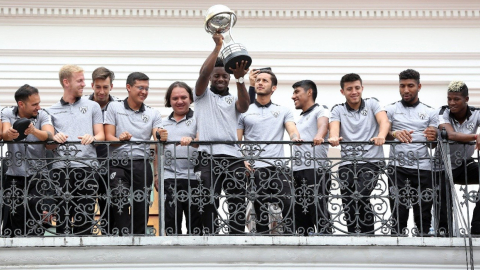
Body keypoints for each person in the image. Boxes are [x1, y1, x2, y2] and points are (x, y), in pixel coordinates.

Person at [193, 32, 250, 234]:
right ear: (211, 78)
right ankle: (210, 234)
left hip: (233, 156)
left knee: (237, 199)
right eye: (216, 75)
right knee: (208, 200)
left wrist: (240, 78)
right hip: (207, 155)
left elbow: (243, 107)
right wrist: (218, 47)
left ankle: (237, 235)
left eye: (224, 76)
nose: (220, 79)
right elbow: (202, 74)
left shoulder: (234, 96)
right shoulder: (201, 96)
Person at [103, 72, 167, 235]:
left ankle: (139, 237)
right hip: (117, 163)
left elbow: (157, 135)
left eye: (146, 88)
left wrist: (161, 135)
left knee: (142, 203)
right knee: (119, 198)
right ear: (128, 87)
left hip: (142, 163)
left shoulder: (153, 113)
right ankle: (123, 236)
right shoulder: (114, 107)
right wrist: (120, 138)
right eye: (140, 87)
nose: (144, 92)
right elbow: (108, 137)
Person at [237, 70, 300, 234]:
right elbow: (236, 141)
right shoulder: (244, 111)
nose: (260, 83)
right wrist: (242, 160)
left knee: (288, 204)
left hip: (278, 166)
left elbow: (292, 129)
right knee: (259, 210)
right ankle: (262, 239)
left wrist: (295, 137)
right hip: (255, 167)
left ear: (274, 87)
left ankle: (290, 239)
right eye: (258, 80)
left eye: (265, 80)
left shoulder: (283, 110)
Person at [47, 64, 105, 235]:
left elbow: (101, 135)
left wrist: (93, 138)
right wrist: (54, 139)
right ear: (66, 82)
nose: (84, 84)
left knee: (85, 220)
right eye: (79, 81)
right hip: (60, 170)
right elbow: (48, 145)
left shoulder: (93, 106)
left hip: (87, 167)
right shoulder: (50, 111)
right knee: (62, 221)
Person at [328, 73, 389, 234]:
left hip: (371, 161)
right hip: (347, 163)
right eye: (349, 89)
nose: (354, 92)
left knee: (361, 195)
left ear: (362, 88)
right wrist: (334, 137)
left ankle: (368, 234)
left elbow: (384, 121)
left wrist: (381, 135)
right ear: (343, 92)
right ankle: (353, 235)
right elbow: (333, 129)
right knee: (348, 201)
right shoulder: (338, 109)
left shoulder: (373, 104)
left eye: (357, 88)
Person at [384, 69, 438, 236]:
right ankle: (396, 243)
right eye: (402, 86)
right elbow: (383, 135)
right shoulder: (390, 109)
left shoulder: (431, 111)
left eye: (410, 86)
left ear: (419, 86)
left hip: (424, 167)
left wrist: (432, 137)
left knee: (423, 212)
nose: (406, 90)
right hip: (397, 166)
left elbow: (433, 145)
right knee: (398, 211)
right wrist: (394, 133)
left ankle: (424, 240)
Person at [1, 84, 54, 236]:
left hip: (38, 174)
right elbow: (4, 132)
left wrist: (34, 131)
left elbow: (50, 136)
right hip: (14, 174)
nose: (39, 106)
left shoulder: (43, 114)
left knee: (35, 208)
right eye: (34, 104)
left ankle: (35, 245)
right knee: (16, 214)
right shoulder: (6, 112)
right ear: (21, 104)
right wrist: (7, 134)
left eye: (39, 102)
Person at [154, 81, 201, 235]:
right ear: (169, 100)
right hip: (169, 177)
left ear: (190, 99)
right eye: (175, 98)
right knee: (171, 223)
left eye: (183, 97)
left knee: (195, 224)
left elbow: (202, 143)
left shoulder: (198, 119)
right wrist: (156, 174)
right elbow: (156, 151)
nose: (179, 101)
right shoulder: (162, 123)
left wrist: (191, 141)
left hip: (194, 178)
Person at [438, 80, 480, 235]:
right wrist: (476, 136)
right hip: (442, 165)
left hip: (464, 164)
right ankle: (445, 232)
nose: (452, 103)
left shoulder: (476, 113)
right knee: (444, 200)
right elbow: (450, 135)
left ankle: (477, 226)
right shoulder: (443, 112)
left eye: (456, 99)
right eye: (449, 99)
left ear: (466, 99)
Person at [291, 80, 331, 235]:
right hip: (298, 171)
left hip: (316, 170)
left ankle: (327, 245)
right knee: (300, 214)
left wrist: (319, 136)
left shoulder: (320, 110)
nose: (293, 96)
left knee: (318, 209)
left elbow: (323, 125)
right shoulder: (300, 118)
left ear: (309, 92)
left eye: (296, 92)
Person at [88, 66, 120, 234]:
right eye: (98, 87)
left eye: (105, 87)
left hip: (113, 165)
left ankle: (112, 242)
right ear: (92, 85)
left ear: (111, 87)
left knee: (112, 207)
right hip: (88, 165)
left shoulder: (120, 107)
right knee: (84, 206)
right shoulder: (82, 106)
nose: (101, 91)